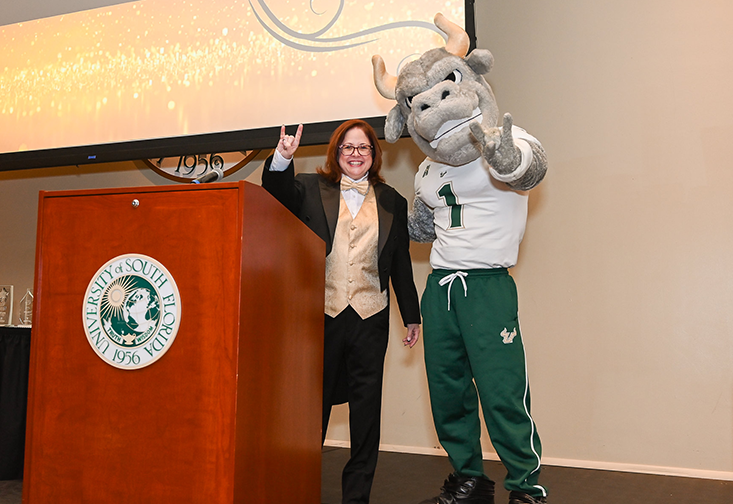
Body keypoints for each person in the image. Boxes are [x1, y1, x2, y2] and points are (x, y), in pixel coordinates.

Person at [261, 119, 421, 504]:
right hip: (321, 316)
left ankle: (356, 498)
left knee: (366, 413)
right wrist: (283, 157)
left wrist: (411, 315)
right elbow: (275, 191)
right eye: (347, 147)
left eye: (362, 148)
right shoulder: (310, 189)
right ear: (336, 153)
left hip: (371, 317)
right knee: (310, 408)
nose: (355, 154)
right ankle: (298, 488)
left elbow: (399, 263)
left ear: (373, 155)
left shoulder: (392, 201)